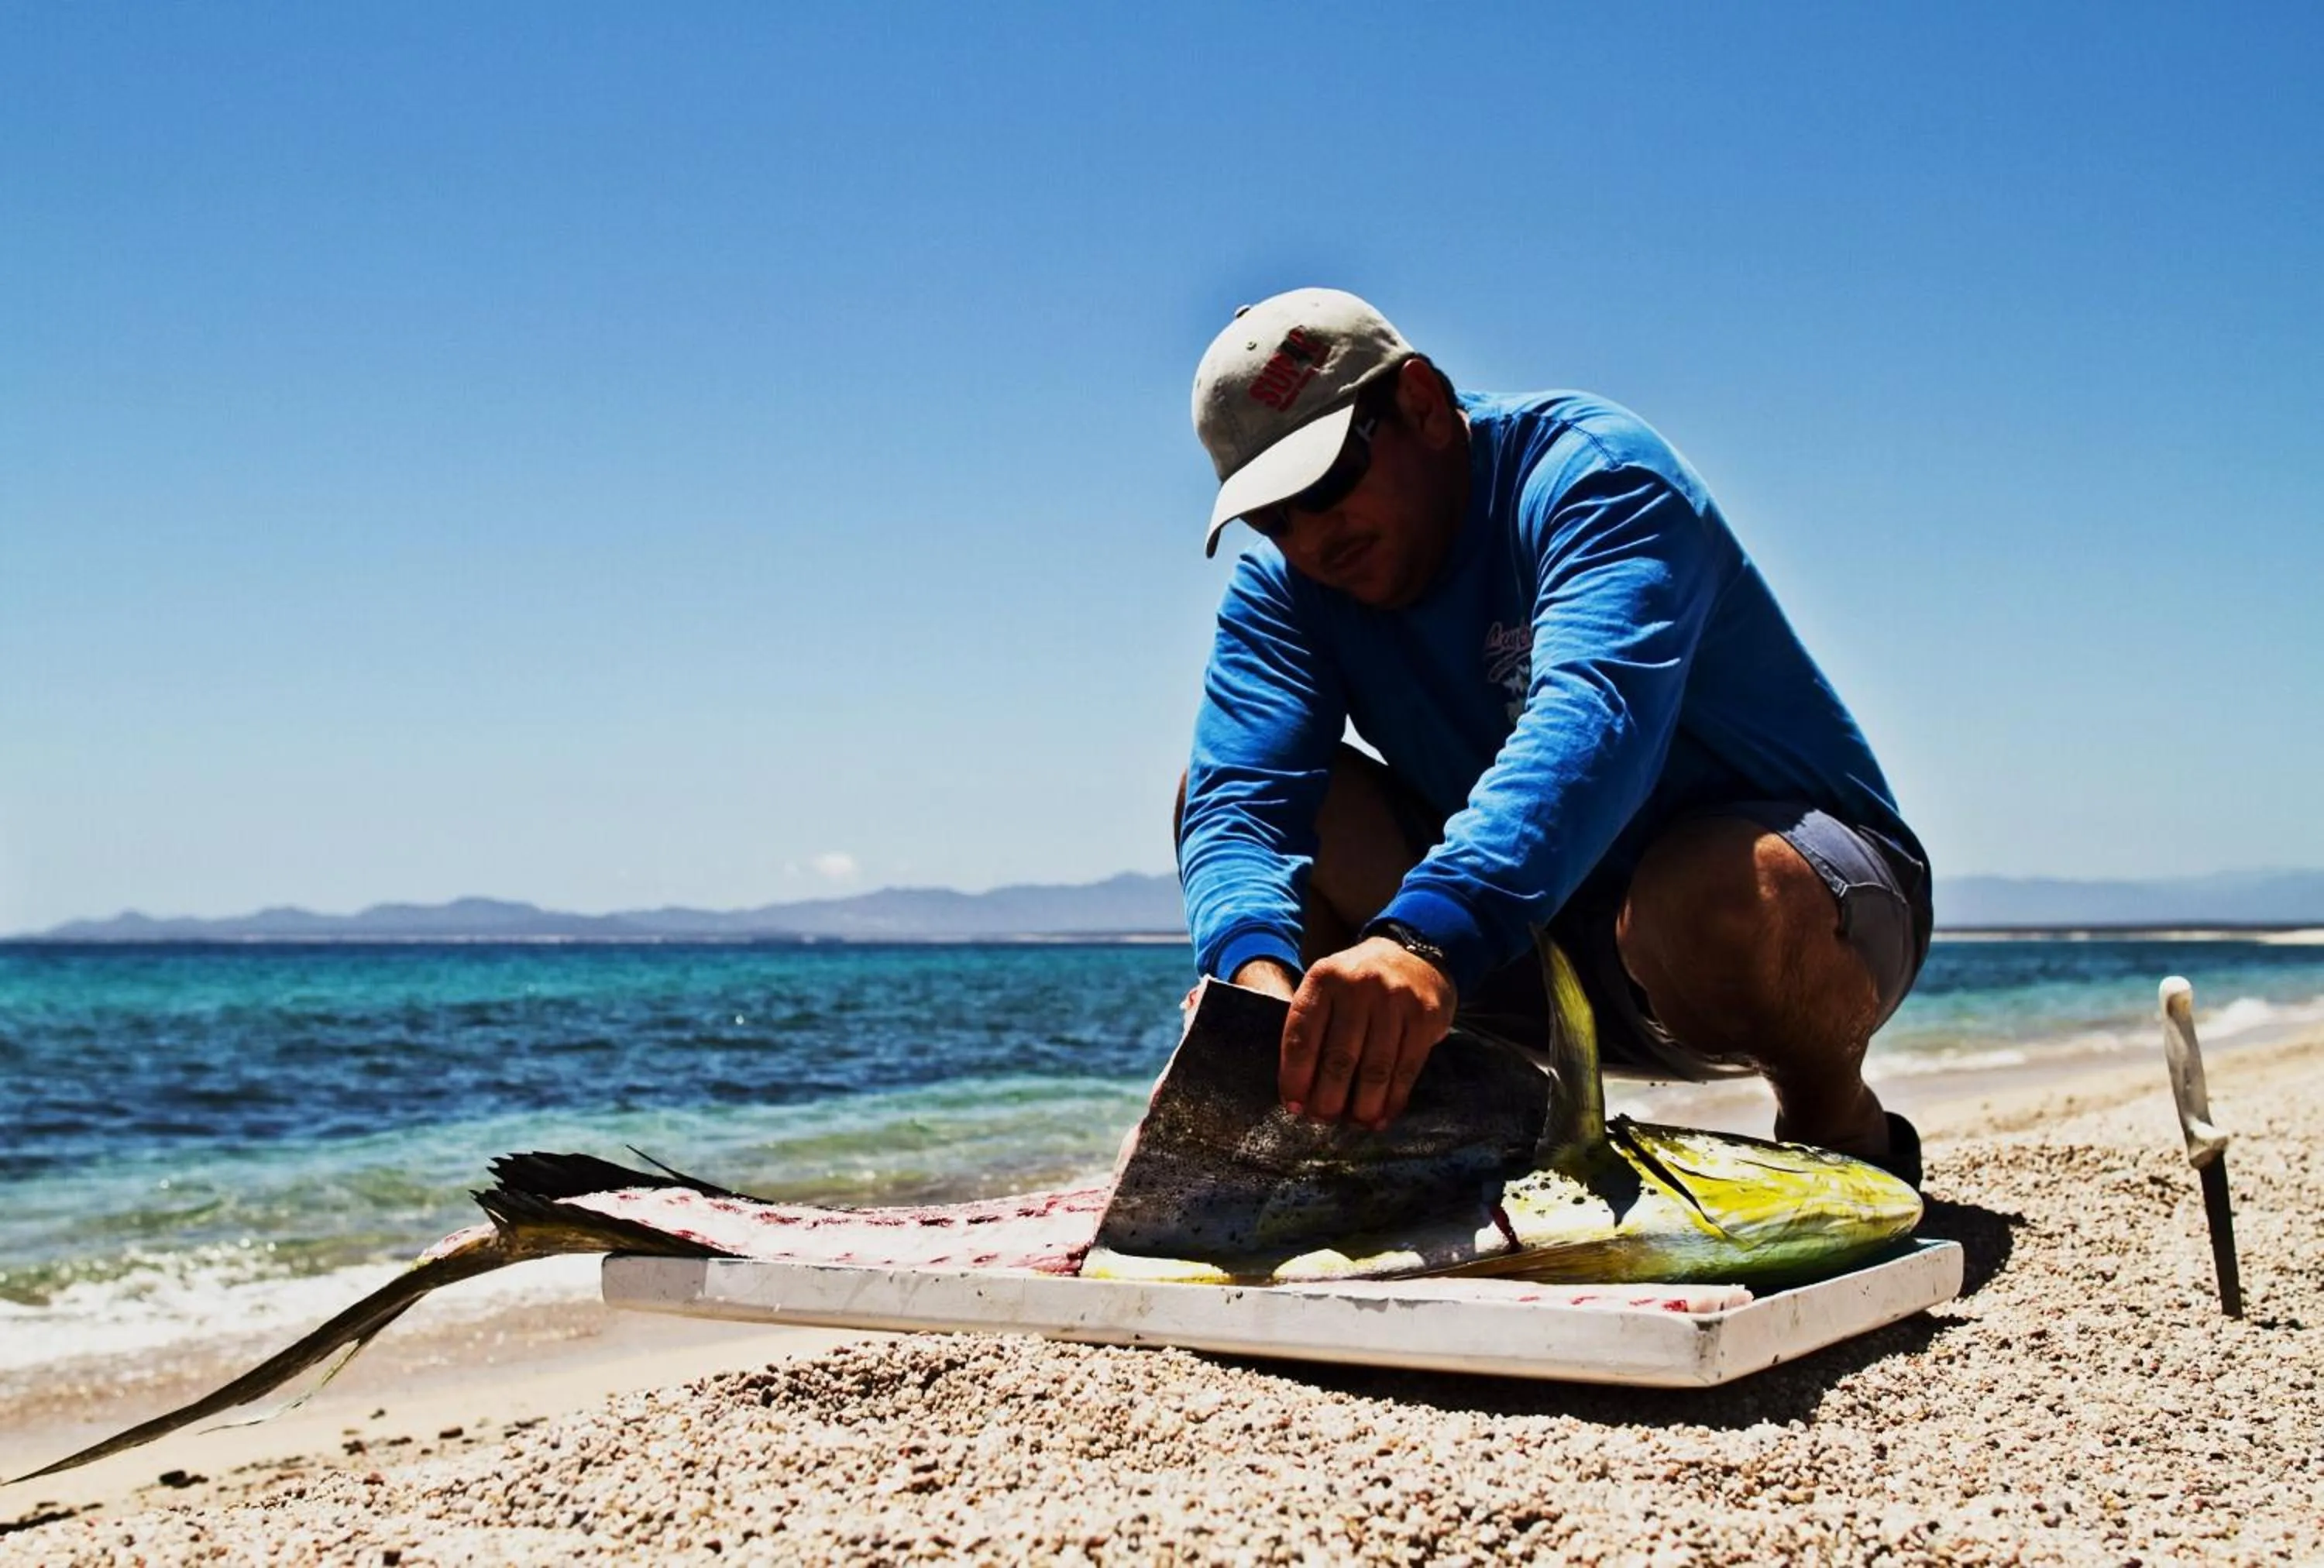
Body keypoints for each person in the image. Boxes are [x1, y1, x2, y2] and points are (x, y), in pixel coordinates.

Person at [1174, 287, 1931, 1184]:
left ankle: (1836, 1122)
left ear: (1420, 402)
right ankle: (1392, 1151)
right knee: (1238, 802)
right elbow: (1238, 806)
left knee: (1713, 891)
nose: (1306, 538)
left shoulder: (1596, 476)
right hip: (1539, 945)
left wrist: (1419, 942)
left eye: (1325, 485)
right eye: (1271, 516)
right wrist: (1254, 994)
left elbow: (1593, 720)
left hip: (1799, 921)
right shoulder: (1287, 592)